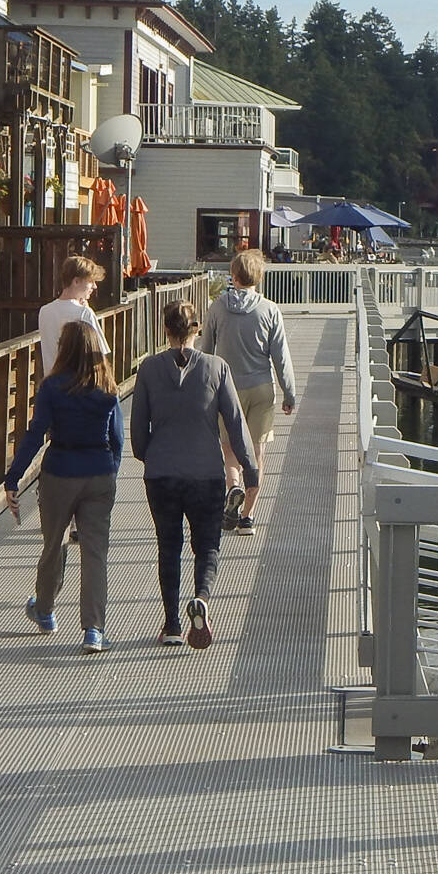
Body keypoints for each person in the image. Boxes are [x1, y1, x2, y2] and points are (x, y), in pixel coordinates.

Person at [130, 301, 258, 648]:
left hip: (162, 473)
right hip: (206, 473)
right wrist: (250, 470)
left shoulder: (149, 369)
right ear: (197, 329)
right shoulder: (217, 367)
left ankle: (172, 624)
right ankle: (201, 597)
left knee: (168, 546)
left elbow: (138, 431)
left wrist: (150, 455)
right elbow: (235, 423)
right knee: (207, 545)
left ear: (165, 330)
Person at [2, 321, 122, 654]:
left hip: (59, 472)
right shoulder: (107, 388)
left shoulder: (52, 387)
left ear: (64, 348)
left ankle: (44, 610)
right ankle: (94, 630)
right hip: (98, 473)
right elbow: (117, 439)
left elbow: (35, 434)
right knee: (95, 554)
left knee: (54, 544)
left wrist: (13, 478)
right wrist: (110, 471)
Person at [199, 249, 296, 535]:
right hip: (261, 388)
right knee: (256, 451)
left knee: (229, 449)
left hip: (227, 388)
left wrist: (202, 390)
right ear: (259, 277)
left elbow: (206, 351)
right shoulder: (270, 310)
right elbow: (281, 357)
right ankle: (247, 517)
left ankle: (234, 487)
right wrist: (289, 393)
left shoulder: (217, 307)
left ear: (233, 275)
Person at [38, 255, 110, 359]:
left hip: (52, 370)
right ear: (76, 281)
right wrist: (86, 309)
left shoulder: (44, 311)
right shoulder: (84, 312)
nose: (94, 286)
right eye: (91, 281)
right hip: (79, 370)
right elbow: (100, 352)